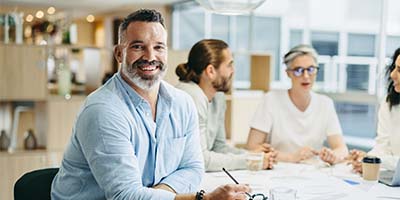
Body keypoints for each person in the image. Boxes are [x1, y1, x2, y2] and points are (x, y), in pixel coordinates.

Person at [51, 9, 249, 200]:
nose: (150, 56)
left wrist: (156, 193)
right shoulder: (103, 111)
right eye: (138, 46)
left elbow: (193, 168)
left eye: (158, 47)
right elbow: (126, 196)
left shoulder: (182, 103)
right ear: (119, 54)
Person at [175, 39, 276, 172]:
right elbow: (201, 159)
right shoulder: (191, 96)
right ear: (211, 71)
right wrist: (250, 161)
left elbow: (219, 148)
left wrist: (252, 156)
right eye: (229, 65)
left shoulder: (217, 96)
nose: (233, 71)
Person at [246, 44, 348, 165]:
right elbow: (252, 147)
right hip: (277, 169)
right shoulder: (271, 100)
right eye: (298, 70)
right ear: (288, 73)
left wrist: (333, 156)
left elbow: (341, 149)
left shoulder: (325, 103)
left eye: (311, 69)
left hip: (313, 172)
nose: (306, 76)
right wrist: (290, 157)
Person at [349, 47, 400, 173]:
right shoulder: (389, 102)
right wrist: (368, 159)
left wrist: (376, 161)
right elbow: (383, 146)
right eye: (394, 67)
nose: (392, 74)